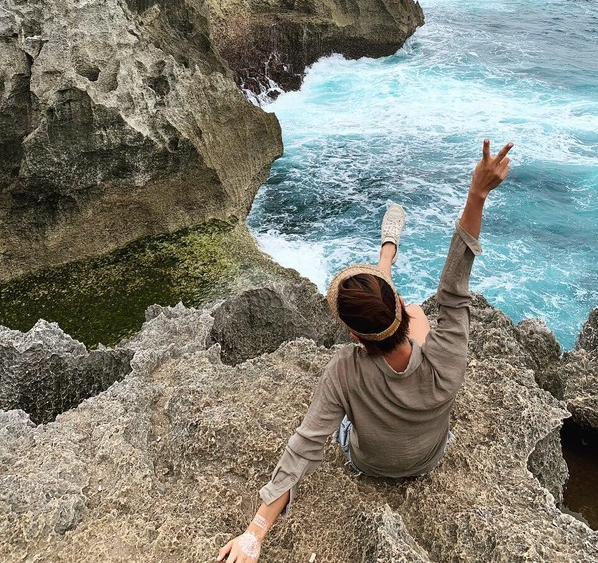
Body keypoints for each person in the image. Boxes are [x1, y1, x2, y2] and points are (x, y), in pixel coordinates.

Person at [217, 138, 513, 563]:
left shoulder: (344, 369)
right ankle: (387, 254)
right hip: (430, 456)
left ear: (354, 338)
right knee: (420, 314)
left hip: (367, 462)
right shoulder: (448, 355)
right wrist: (477, 194)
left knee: (400, 326)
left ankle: (385, 253)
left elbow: (306, 444)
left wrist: (255, 532)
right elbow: (453, 289)